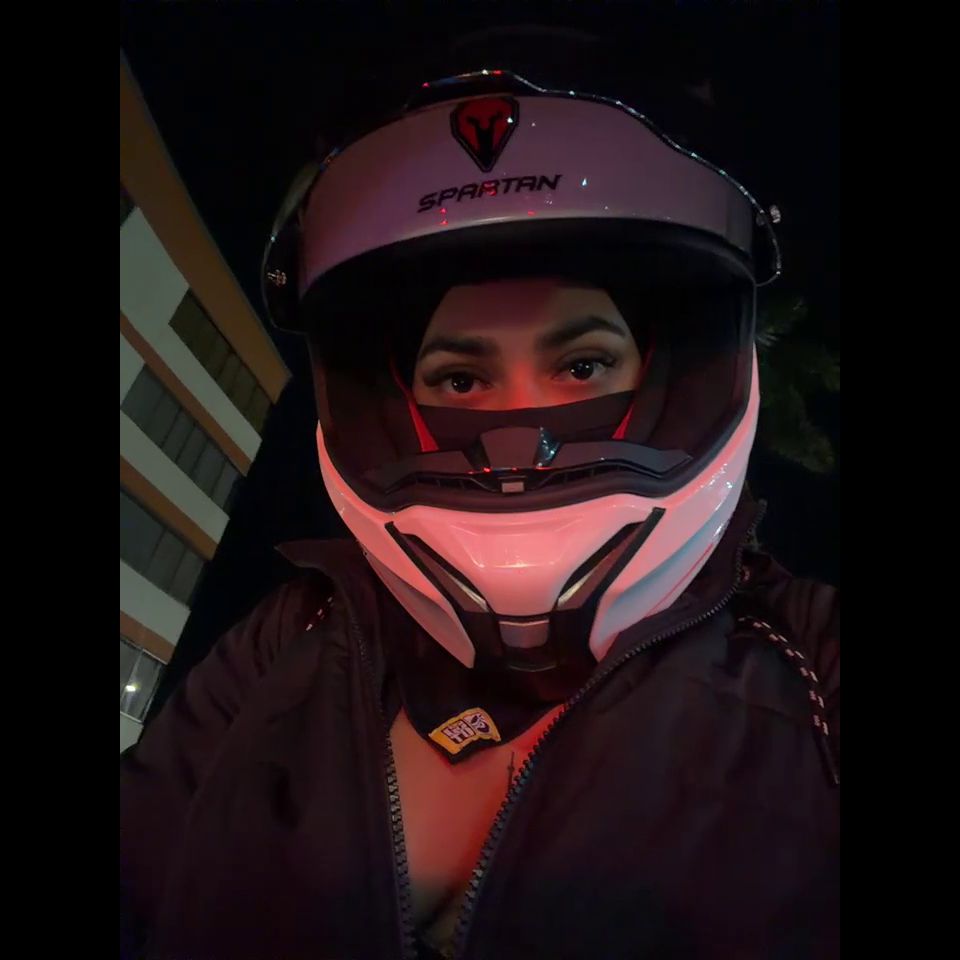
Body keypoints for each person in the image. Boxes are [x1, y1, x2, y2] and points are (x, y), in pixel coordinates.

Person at [120, 70, 839, 960]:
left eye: (582, 366)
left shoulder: (809, 654)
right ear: (403, 412)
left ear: (661, 387)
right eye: (461, 379)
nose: (517, 435)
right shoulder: (293, 633)